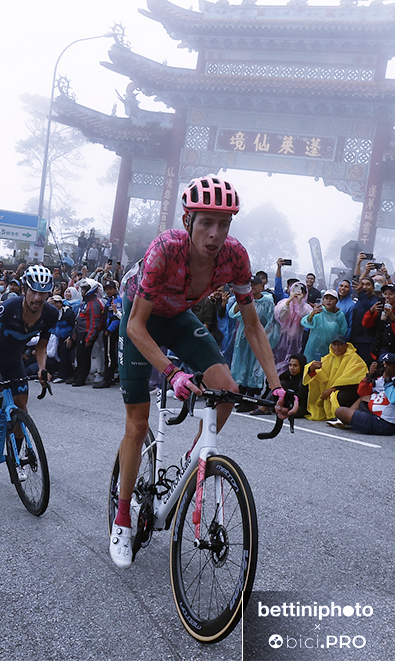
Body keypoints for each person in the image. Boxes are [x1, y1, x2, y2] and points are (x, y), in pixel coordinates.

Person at [110, 175, 295, 569]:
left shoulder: (235, 257)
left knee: (226, 389)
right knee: (137, 424)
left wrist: (277, 386)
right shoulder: (165, 249)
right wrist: (173, 373)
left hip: (178, 318)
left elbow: (252, 326)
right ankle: (122, 518)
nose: (215, 234)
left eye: (223, 224)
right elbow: (136, 326)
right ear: (187, 220)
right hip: (139, 320)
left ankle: (192, 463)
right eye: (206, 223)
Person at [0, 265, 57, 453]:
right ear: (24, 289)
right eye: (33, 291)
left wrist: (42, 369)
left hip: (13, 359)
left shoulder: (51, 313)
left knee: (21, 406)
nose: (38, 298)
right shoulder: (8, 308)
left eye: (43, 293)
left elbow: (41, 346)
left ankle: (16, 457)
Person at [330, 352, 395, 435]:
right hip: (373, 414)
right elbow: (361, 392)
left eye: (388, 365)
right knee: (363, 398)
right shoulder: (379, 379)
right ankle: (345, 420)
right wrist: (369, 376)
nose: (385, 367)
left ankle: (348, 420)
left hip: (385, 423)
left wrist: (387, 381)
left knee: (340, 411)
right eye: (382, 364)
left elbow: (394, 399)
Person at [229, 276, 279, 408]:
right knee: (241, 364)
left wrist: (265, 339)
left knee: (256, 366)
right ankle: (240, 395)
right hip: (243, 336)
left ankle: (251, 398)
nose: (252, 287)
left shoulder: (268, 302)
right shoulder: (245, 299)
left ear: (262, 286)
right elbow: (232, 313)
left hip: (259, 337)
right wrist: (241, 301)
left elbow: (271, 322)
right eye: (250, 285)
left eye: (255, 284)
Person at [302, 336, 368, 421]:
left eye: (340, 344)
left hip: (348, 390)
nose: (337, 347)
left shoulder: (355, 359)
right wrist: (312, 369)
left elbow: (353, 380)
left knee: (341, 396)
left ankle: (341, 415)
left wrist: (333, 389)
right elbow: (317, 374)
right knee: (309, 385)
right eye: (334, 344)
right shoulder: (328, 358)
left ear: (346, 346)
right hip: (330, 389)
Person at [362, 284, 395, 363]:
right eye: (385, 294)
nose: (387, 297)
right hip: (378, 349)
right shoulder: (378, 309)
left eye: (391, 294)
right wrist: (371, 311)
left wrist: (393, 318)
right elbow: (366, 324)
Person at [300, 289, 348, 362]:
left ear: (336, 301)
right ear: (323, 300)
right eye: (326, 298)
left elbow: (342, 332)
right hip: (313, 348)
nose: (329, 301)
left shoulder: (340, 315)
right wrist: (311, 315)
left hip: (330, 348)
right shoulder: (318, 311)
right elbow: (306, 322)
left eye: (332, 299)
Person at [273, 280, 309, 374]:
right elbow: (281, 317)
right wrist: (289, 301)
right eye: (295, 290)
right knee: (276, 362)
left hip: (296, 342)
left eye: (301, 291)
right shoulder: (283, 303)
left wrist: (300, 304)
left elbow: (305, 319)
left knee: (291, 365)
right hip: (280, 339)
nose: (297, 293)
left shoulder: (306, 307)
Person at [94, 280, 122, 388]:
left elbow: (116, 317)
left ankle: (107, 379)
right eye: (106, 289)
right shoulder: (109, 299)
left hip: (111, 332)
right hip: (107, 329)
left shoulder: (116, 300)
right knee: (108, 353)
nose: (108, 291)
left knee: (109, 355)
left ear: (115, 289)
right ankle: (110, 376)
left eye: (110, 289)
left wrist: (109, 330)